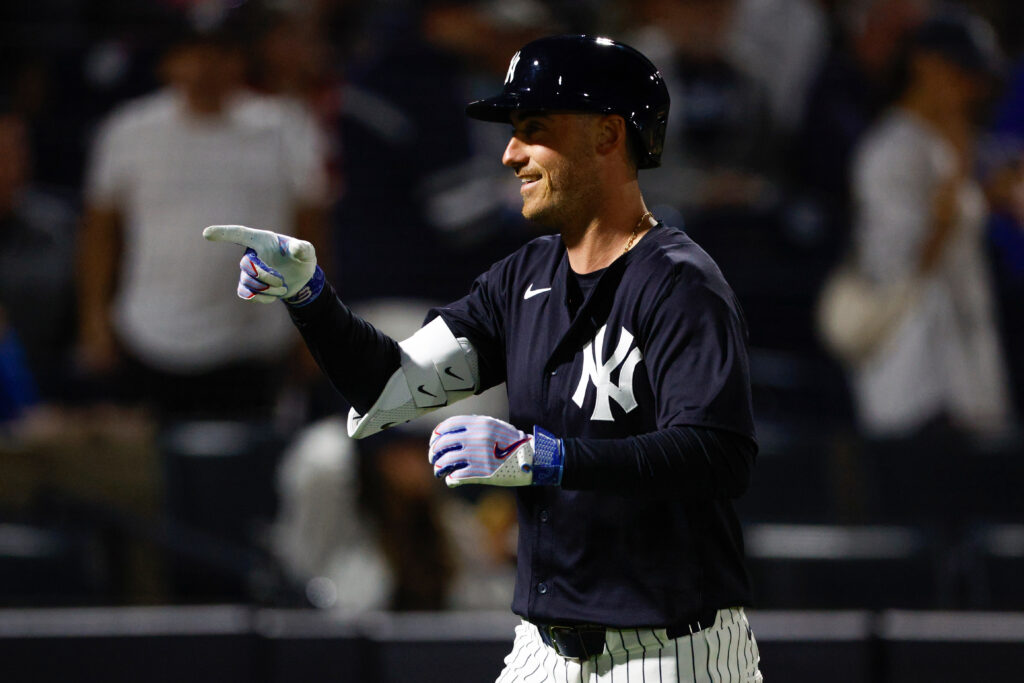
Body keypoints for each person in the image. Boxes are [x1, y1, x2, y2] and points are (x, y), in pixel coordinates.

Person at [206, 35, 762, 682]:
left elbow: (718, 456)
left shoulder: (680, 282)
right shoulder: (521, 278)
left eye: (533, 129)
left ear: (610, 136)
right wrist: (311, 298)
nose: (510, 153)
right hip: (543, 648)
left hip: (669, 650)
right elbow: (390, 387)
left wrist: (550, 457)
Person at [844, 9, 1014, 518]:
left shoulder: (953, 145)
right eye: (960, 71)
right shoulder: (888, 151)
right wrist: (958, 197)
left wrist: (984, 188)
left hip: (965, 385)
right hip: (916, 384)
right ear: (925, 66)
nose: (971, 87)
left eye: (977, 76)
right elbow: (904, 270)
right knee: (921, 550)